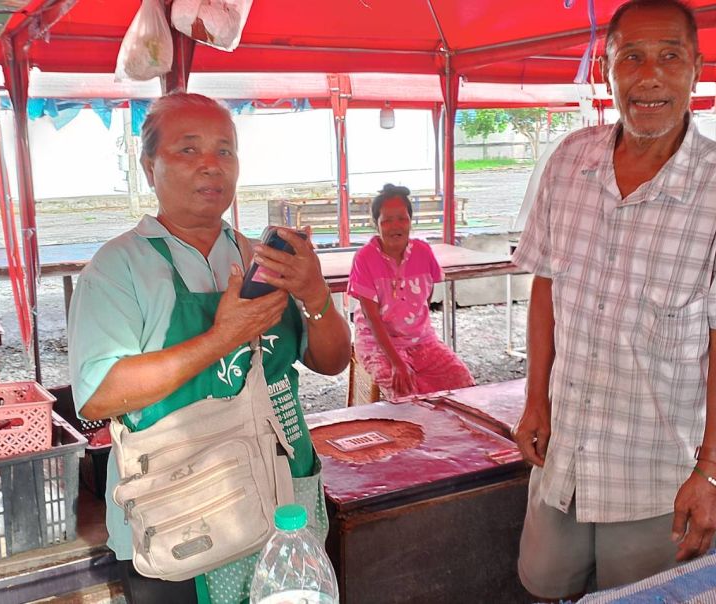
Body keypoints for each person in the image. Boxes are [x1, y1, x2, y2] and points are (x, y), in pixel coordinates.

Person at [510, 0, 716, 599]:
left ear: (696, 69)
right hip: (563, 455)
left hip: (655, 473)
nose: (649, 76)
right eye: (630, 57)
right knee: (545, 583)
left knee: (642, 597)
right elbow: (546, 286)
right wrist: (534, 400)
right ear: (606, 70)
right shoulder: (569, 161)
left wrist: (711, 471)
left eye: (669, 57)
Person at [67, 93, 351, 604]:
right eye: (188, 149)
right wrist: (221, 338)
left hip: (281, 495)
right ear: (149, 166)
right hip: (180, 509)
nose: (211, 165)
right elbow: (98, 396)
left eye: (225, 150)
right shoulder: (118, 269)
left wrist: (314, 293)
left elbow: (331, 362)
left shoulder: (262, 258)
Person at [347, 184, 475, 399]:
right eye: (387, 220)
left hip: (422, 340)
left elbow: (427, 297)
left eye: (402, 218)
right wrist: (397, 363)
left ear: (410, 221)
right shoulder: (365, 258)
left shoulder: (423, 252)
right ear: (376, 224)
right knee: (405, 393)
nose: (395, 226)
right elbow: (372, 319)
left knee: (462, 381)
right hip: (377, 343)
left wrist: (413, 327)